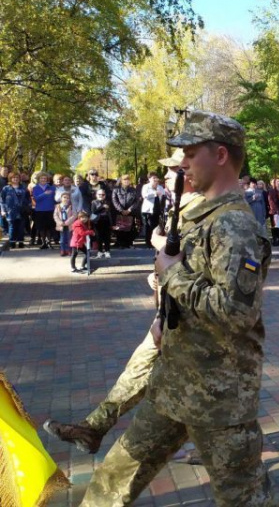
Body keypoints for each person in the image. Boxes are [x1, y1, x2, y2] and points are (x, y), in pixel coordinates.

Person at [77, 111, 276, 507]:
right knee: (113, 480)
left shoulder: (234, 226)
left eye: (190, 151)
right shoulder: (201, 216)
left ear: (220, 155)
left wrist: (173, 276)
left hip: (218, 399)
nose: (182, 161)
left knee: (245, 499)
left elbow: (236, 313)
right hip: (173, 384)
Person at [44, 150, 204, 458]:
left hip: (191, 320)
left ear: (191, 174)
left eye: (174, 170)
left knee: (191, 386)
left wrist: (164, 260)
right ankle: (94, 429)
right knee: (140, 370)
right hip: (170, 313)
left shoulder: (205, 211)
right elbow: (176, 262)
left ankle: (212, 445)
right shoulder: (177, 207)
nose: (167, 176)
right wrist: (157, 277)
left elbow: (204, 268)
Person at [0, 172, 31, 248]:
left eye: (17, 177)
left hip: (22, 211)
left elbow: (28, 199)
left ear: (19, 179)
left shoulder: (24, 188)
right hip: (10, 211)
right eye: (13, 178)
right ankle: (12, 242)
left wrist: (28, 208)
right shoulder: (6, 188)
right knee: (12, 227)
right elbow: (2, 200)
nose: (15, 179)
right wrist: (3, 210)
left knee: (21, 227)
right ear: (10, 179)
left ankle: (20, 242)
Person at [112, 174, 140, 248]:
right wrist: (121, 210)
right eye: (125, 179)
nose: (127, 181)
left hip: (130, 212)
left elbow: (137, 201)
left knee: (130, 228)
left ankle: (129, 243)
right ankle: (121, 243)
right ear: (121, 181)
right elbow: (114, 200)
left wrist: (129, 209)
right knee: (120, 228)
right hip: (119, 212)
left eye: (128, 179)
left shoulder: (133, 190)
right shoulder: (116, 190)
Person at [32, 172, 57, 249]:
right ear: (39, 180)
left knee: (49, 227)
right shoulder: (35, 188)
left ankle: (48, 241)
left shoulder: (52, 188)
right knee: (41, 227)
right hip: (40, 210)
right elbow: (35, 199)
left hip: (50, 209)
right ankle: (43, 242)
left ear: (47, 180)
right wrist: (44, 194)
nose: (43, 180)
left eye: (45, 178)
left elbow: (56, 199)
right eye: (41, 178)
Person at [140, 172, 164, 249]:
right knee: (148, 226)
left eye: (156, 178)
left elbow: (163, 195)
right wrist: (154, 193)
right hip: (148, 210)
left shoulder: (160, 187)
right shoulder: (146, 186)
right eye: (153, 178)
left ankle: (155, 242)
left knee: (156, 226)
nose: (155, 179)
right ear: (149, 179)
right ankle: (148, 242)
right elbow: (144, 195)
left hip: (157, 209)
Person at [91, 189, 112, 258]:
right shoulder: (94, 202)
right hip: (97, 222)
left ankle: (107, 251)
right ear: (96, 195)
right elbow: (94, 211)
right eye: (99, 194)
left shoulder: (108, 202)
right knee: (99, 238)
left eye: (103, 194)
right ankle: (100, 251)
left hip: (106, 221)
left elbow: (110, 212)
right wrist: (102, 207)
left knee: (107, 238)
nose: (101, 196)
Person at [54, 192, 76, 256]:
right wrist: (60, 222)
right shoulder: (58, 206)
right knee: (62, 239)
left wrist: (67, 222)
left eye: (67, 198)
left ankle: (69, 250)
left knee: (69, 238)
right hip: (61, 225)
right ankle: (62, 250)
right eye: (64, 197)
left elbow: (74, 215)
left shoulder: (71, 206)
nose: (66, 199)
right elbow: (55, 215)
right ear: (61, 198)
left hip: (69, 224)